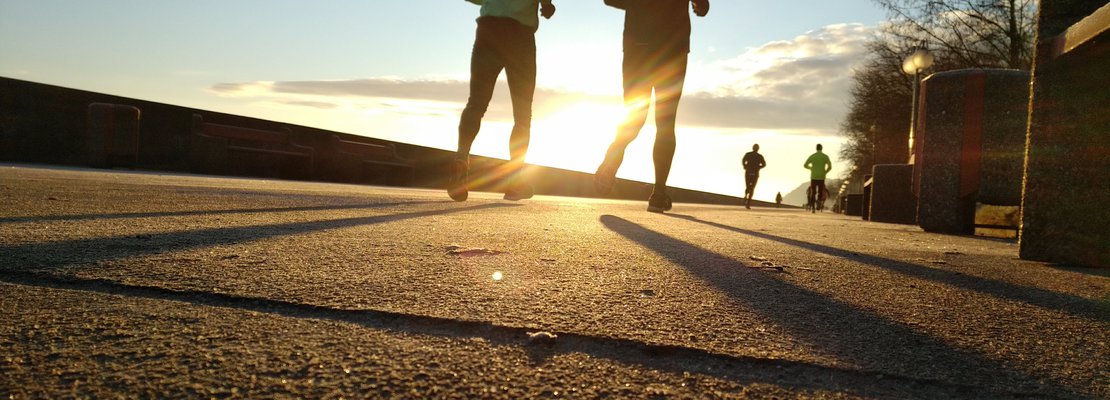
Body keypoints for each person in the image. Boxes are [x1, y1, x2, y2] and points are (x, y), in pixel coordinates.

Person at [593, 0, 710, 213]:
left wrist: (639, 6)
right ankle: (658, 194)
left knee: (635, 116)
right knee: (665, 122)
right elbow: (702, 6)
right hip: (672, 47)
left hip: (638, 45)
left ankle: (612, 156)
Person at [448, 0, 557, 202]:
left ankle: (461, 159)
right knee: (522, 116)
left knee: (476, 104)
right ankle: (515, 182)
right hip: (520, 36)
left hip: (488, 30)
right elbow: (547, 6)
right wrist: (547, 5)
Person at [803, 143, 832, 213]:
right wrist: (825, 172)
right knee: (820, 192)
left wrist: (811, 168)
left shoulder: (812, 156)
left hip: (814, 176)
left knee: (813, 192)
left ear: (816, 148)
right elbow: (830, 167)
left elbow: (805, 165)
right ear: (822, 148)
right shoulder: (825, 156)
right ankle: (818, 200)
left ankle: (813, 208)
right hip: (821, 177)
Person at [741, 144, 766, 209]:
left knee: (747, 186)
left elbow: (743, 160)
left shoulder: (748, 154)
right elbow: (764, 164)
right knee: (752, 188)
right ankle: (748, 202)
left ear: (752, 148)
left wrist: (745, 166)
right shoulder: (759, 156)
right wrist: (759, 167)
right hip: (755, 173)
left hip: (748, 172)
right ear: (758, 149)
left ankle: (746, 195)